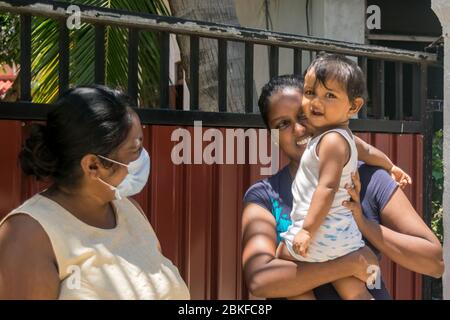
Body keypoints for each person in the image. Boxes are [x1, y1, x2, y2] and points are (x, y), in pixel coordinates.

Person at [242, 74, 444, 300]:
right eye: (283, 124)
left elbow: (434, 263)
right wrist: (348, 264)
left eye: (303, 115)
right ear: (273, 136)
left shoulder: (369, 179)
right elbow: (259, 281)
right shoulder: (265, 195)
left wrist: (364, 225)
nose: (298, 129)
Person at [0, 85, 190, 300]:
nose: (143, 158)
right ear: (93, 165)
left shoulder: (129, 211)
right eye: (134, 150)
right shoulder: (27, 236)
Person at [275, 53, 410, 300]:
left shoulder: (331, 142)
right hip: (343, 238)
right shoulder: (344, 137)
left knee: (281, 262)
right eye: (309, 92)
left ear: (354, 106)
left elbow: (326, 188)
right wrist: (391, 166)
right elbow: (368, 152)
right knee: (352, 288)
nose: (316, 102)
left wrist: (306, 231)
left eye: (330, 95)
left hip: (319, 234)